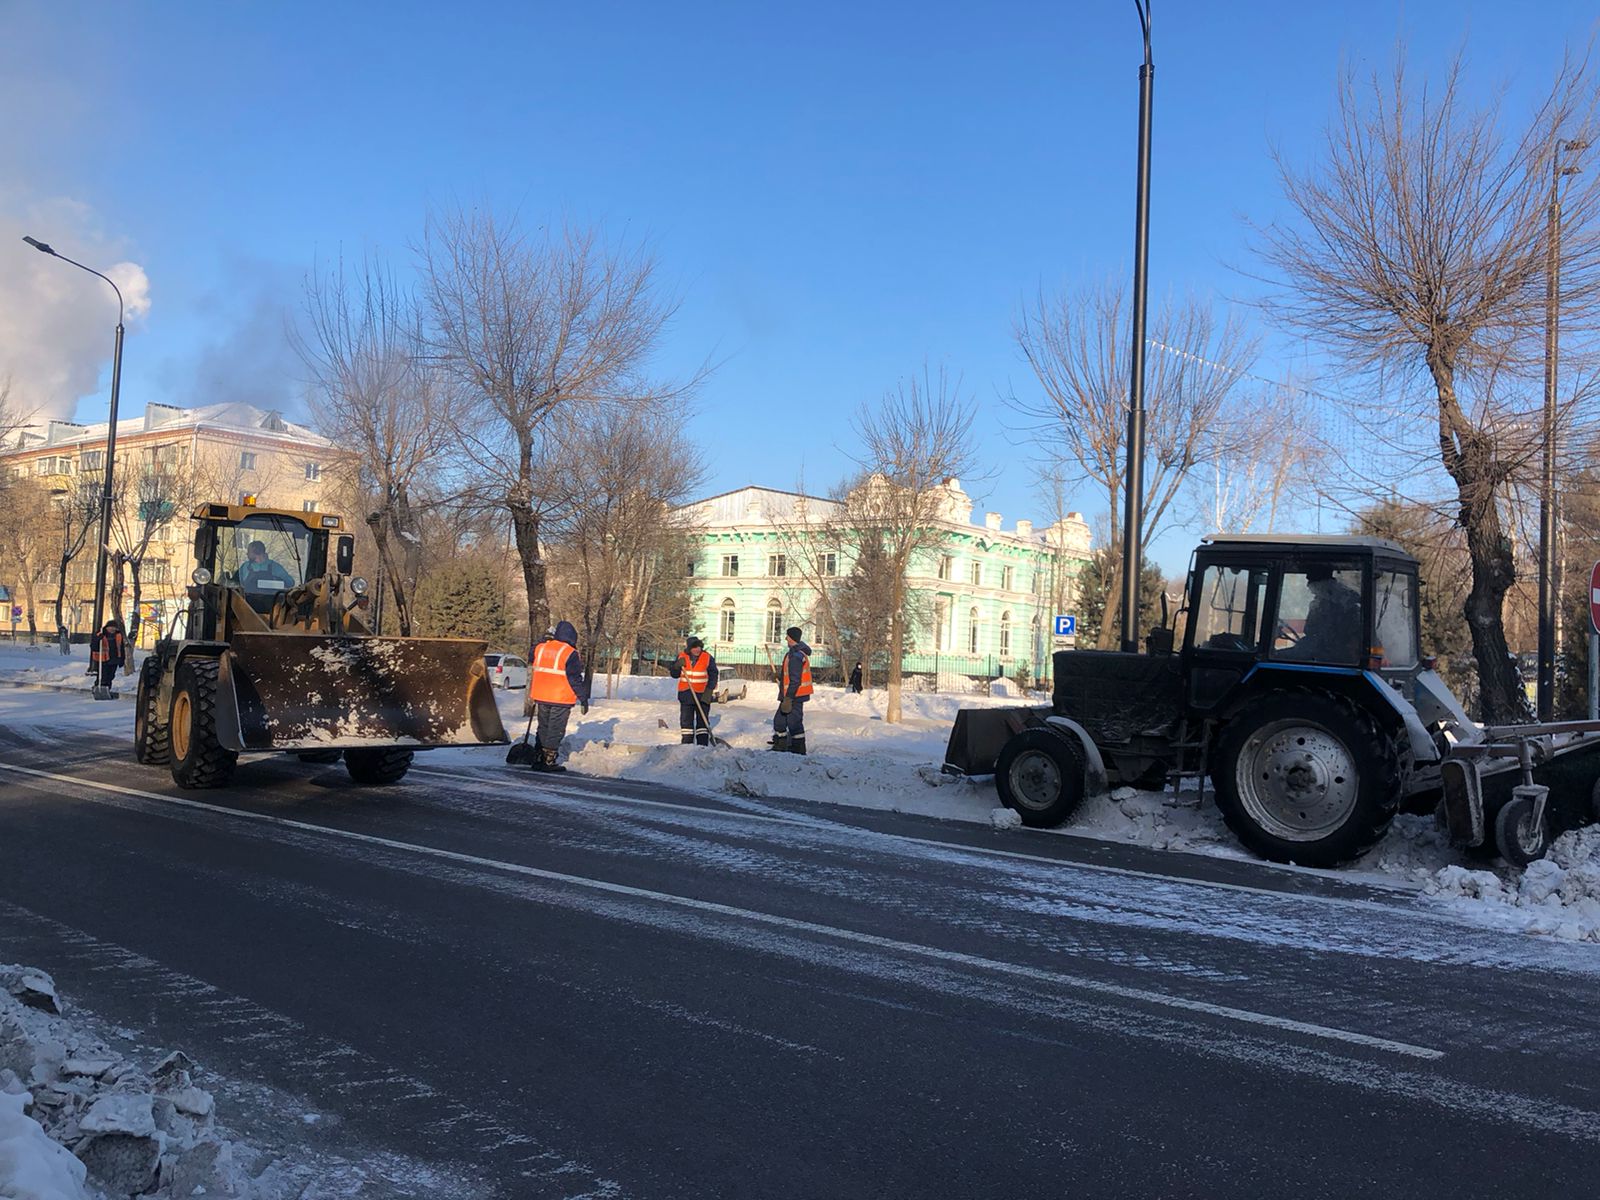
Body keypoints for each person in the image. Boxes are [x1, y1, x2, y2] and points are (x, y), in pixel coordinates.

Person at [526, 620, 589, 772]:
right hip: (560, 697)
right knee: (555, 729)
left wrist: (541, 640)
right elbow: (574, 678)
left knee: (544, 727)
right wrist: (583, 698)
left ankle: (538, 757)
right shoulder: (569, 653)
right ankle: (548, 761)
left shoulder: (541, 648)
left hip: (542, 695)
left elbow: (530, 656)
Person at [1289, 565, 1362, 663]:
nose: (1308, 585)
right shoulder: (1321, 603)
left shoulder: (1342, 606)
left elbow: (1318, 637)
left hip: (1330, 658)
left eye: (1311, 581)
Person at [769, 626, 813, 755]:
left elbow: (795, 680)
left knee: (794, 723)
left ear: (792, 638)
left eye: (787, 636)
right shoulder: (792, 653)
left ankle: (798, 749)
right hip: (791, 695)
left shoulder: (796, 656)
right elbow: (789, 674)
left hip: (795, 696)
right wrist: (779, 675)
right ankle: (780, 745)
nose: (785, 638)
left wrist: (788, 698)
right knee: (779, 721)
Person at [669, 635, 719, 746]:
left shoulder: (707, 657)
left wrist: (709, 690)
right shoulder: (681, 657)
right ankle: (687, 744)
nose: (697, 650)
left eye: (699, 647)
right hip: (686, 694)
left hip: (703, 695)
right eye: (694, 647)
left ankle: (702, 745)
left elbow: (714, 674)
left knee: (702, 722)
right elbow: (674, 674)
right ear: (689, 648)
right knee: (686, 722)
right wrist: (676, 666)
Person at [89, 618, 126, 696]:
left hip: (115, 658)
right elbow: (93, 647)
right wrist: (97, 640)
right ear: (107, 627)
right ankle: (98, 688)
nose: (112, 629)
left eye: (114, 627)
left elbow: (121, 648)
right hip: (103, 659)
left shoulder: (118, 635)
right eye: (111, 627)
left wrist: (122, 659)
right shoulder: (100, 634)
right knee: (103, 676)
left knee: (111, 676)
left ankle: (107, 689)